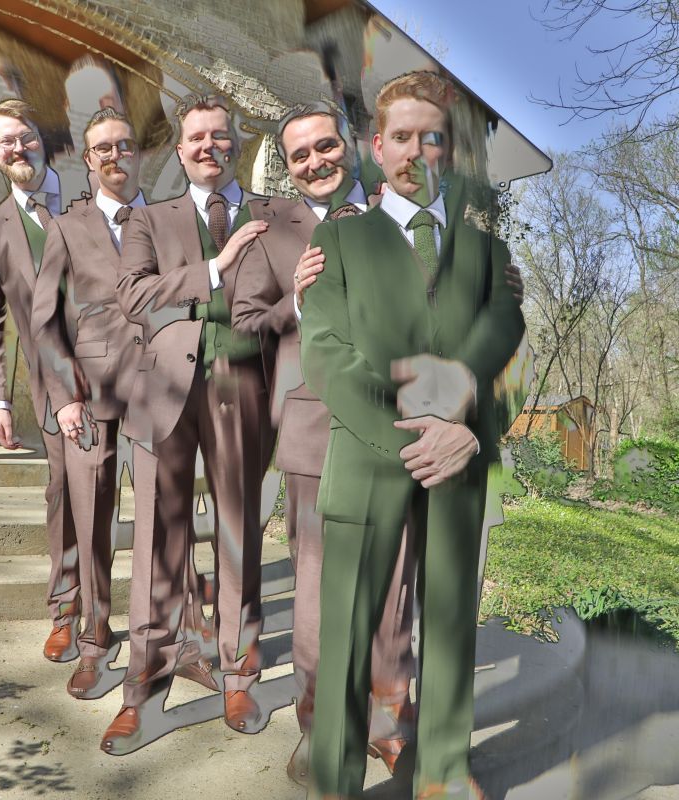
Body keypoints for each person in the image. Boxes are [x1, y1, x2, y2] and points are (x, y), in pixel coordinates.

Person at [298, 72, 526, 800]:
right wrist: (412, 433)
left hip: (460, 457)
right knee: (346, 633)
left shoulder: (486, 247)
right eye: (401, 136)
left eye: (432, 138)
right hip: (366, 458)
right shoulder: (338, 239)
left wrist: (459, 424)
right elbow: (325, 352)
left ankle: (444, 773)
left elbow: (503, 331)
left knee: (452, 622)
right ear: (377, 145)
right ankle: (335, 780)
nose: (416, 152)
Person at [230, 102, 418, 784]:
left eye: (326, 146)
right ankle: (320, 724)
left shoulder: (398, 213)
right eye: (300, 154)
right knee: (316, 588)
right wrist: (297, 301)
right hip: (316, 425)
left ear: (352, 145)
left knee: (395, 584)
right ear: (288, 165)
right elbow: (243, 322)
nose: (315, 162)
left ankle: (389, 720)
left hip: (399, 422)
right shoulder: (271, 229)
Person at [101, 94, 275, 754]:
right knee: (157, 540)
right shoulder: (148, 219)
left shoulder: (271, 216)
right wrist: (213, 270)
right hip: (166, 385)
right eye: (196, 138)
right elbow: (132, 294)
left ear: (236, 144)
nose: (208, 147)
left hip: (243, 384)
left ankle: (238, 675)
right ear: (180, 151)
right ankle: (141, 690)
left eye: (219, 136)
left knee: (238, 532)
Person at [30, 107, 145, 699]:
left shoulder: (168, 219)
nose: (114, 156)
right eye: (103, 149)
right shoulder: (66, 227)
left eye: (124, 146)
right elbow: (44, 321)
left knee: (166, 521)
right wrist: (64, 397)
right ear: (88, 158)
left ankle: (169, 637)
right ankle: (95, 637)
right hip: (88, 396)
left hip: (162, 392)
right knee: (91, 515)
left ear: (138, 152)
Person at [0, 99, 81, 664]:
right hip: (52, 384)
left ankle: (179, 613)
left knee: (158, 487)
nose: (19, 148)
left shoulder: (90, 193)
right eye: (6, 141)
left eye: (27, 136)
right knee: (65, 492)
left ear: (44, 139)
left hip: (126, 369)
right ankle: (66, 611)